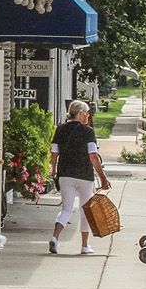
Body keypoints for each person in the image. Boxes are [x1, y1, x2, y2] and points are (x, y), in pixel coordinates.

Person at [49, 99, 111, 255]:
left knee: (66, 209)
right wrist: (103, 177)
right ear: (82, 114)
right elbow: (93, 156)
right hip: (84, 174)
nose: (88, 117)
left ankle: (55, 237)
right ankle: (84, 246)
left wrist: (53, 171)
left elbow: (54, 152)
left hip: (65, 174)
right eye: (87, 114)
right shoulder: (88, 131)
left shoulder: (60, 130)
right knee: (85, 210)